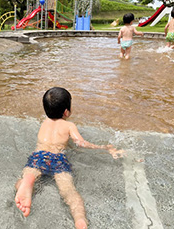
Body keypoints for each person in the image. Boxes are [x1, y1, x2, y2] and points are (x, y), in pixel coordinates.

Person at [14, 87, 125, 229]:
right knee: (69, 193)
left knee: (26, 175)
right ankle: (80, 219)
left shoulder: (44, 122)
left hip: (39, 157)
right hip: (58, 160)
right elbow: (81, 143)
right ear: (67, 111)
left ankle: (26, 183)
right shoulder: (69, 125)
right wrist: (105, 148)